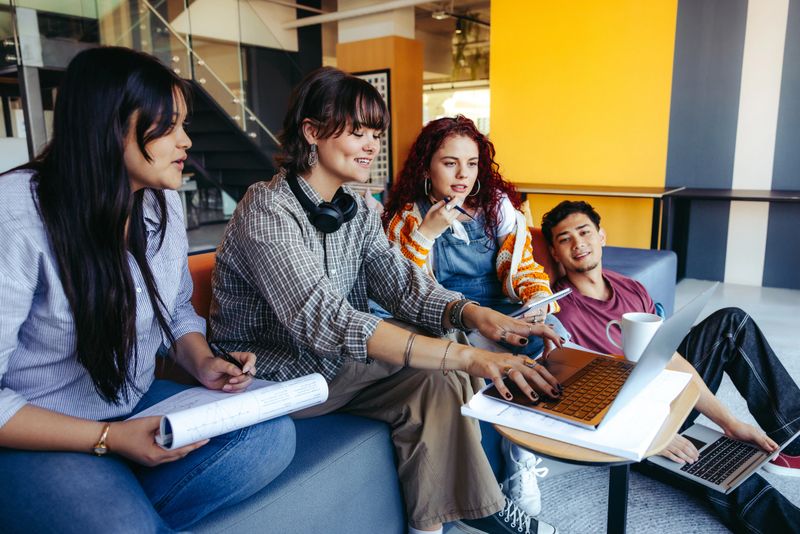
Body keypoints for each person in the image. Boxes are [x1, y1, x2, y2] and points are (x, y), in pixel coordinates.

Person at [209, 67, 563, 534]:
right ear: (312, 132)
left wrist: (485, 318)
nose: (373, 145)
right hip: (282, 377)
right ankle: (488, 507)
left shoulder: (353, 208)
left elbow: (404, 286)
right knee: (452, 358)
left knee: (441, 380)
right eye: (358, 132)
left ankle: (435, 525)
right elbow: (324, 320)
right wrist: (467, 352)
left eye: (376, 133)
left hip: (336, 367)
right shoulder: (267, 207)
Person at [0, 47, 296, 534]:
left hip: (133, 401)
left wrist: (202, 362)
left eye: (183, 124)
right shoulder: (18, 214)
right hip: (39, 429)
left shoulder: (161, 203)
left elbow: (175, 309)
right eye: (168, 126)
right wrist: (108, 440)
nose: (186, 141)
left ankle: (104, 497)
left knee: (270, 437)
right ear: (110, 126)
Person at [540, 200, 800, 532]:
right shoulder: (560, 313)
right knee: (717, 467)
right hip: (628, 424)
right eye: (564, 239)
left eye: (584, 232)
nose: (578, 244)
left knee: (732, 321)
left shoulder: (630, 288)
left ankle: (794, 441)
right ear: (555, 253)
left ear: (601, 236)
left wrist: (729, 422)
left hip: (662, 390)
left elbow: (671, 359)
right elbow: (580, 397)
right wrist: (657, 435)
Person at [381, 115, 566, 517]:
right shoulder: (406, 218)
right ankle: (496, 475)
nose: (463, 174)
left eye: (472, 163)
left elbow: (522, 269)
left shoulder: (497, 208)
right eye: (450, 163)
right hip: (448, 321)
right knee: (499, 360)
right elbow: (398, 288)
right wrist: (426, 234)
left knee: (551, 335)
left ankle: (519, 456)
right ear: (427, 165)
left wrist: (538, 305)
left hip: (502, 310)